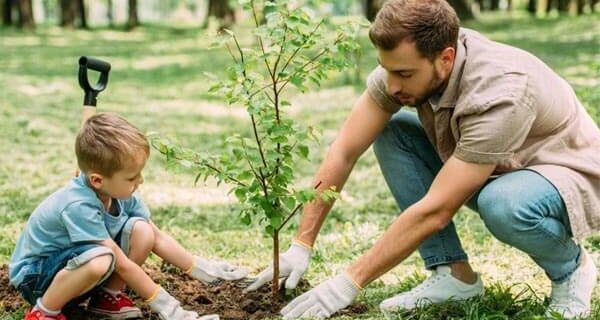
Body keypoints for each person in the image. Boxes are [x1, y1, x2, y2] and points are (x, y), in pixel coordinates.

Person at [245, 0, 600, 319]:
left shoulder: (501, 91)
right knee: (392, 129)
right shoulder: (405, 69)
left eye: (404, 74)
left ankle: (572, 269)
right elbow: (344, 150)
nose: (392, 84)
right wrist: (301, 245)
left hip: (562, 173)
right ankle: (454, 276)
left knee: (503, 204)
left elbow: (436, 209)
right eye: (387, 69)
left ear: (445, 58)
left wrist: (348, 282)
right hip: (496, 166)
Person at [9, 113, 248, 320]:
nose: (140, 181)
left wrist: (200, 269)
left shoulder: (119, 192)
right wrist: (170, 308)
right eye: (132, 177)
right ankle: (44, 312)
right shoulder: (78, 205)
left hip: (74, 269)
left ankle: (107, 298)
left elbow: (156, 237)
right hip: (37, 277)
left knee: (142, 230)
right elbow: (120, 264)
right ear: (97, 180)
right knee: (102, 257)